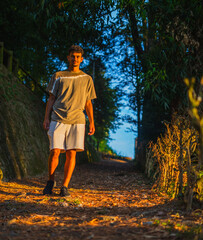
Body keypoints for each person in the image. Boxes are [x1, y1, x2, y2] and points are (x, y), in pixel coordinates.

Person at [42, 45, 97, 196]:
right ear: (68, 57)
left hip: (77, 120)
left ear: (82, 59)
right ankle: (50, 181)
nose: (75, 59)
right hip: (57, 118)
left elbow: (88, 103)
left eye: (78, 57)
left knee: (71, 153)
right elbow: (51, 98)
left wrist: (91, 122)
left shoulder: (87, 79)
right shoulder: (58, 75)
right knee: (55, 151)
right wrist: (46, 117)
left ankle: (64, 186)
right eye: (73, 56)